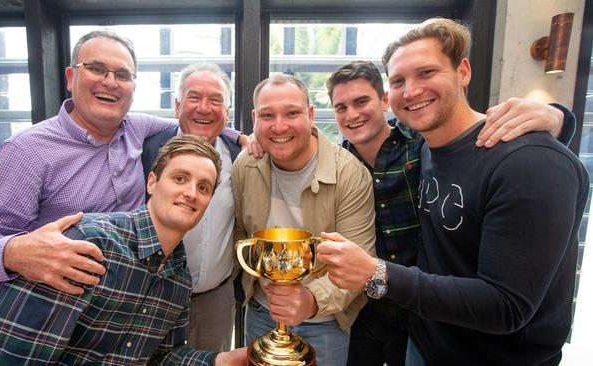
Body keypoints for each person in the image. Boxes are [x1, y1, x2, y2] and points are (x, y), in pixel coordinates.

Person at [318, 18, 588, 366]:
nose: (412, 90)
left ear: (463, 71)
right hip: (424, 340)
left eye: (427, 72)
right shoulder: (428, 147)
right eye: (400, 80)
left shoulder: (530, 161)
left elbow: (507, 306)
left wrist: (557, 118)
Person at [0, 30, 242, 295]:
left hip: (126, 309)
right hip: (53, 317)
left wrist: (243, 138)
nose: (110, 81)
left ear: (132, 86)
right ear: (70, 77)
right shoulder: (27, 151)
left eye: (122, 74)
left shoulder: (136, 127)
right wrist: (13, 252)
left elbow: (195, 121)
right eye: (96, 68)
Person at [0, 135, 247, 366]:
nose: (191, 193)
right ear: (152, 182)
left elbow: (161, 358)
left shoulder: (178, 278)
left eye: (203, 187)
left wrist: (222, 360)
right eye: (180, 178)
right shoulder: (86, 244)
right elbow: (3, 356)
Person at [232, 74, 376, 365]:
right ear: (254, 118)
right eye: (267, 115)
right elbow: (239, 233)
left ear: (311, 115)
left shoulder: (349, 173)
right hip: (261, 313)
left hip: (325, 320)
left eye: (292, 113)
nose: (280, 126)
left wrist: (310, 302)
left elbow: (361, 263)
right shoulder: (245, 165)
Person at [141, 63, 241, 352]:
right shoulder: (145, 151)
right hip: (153, 296)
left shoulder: (242, 156)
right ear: (177, 106)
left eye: (216, 100)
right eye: (194, 97)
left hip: (216, 301)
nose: (204, 108)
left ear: (227, 111)